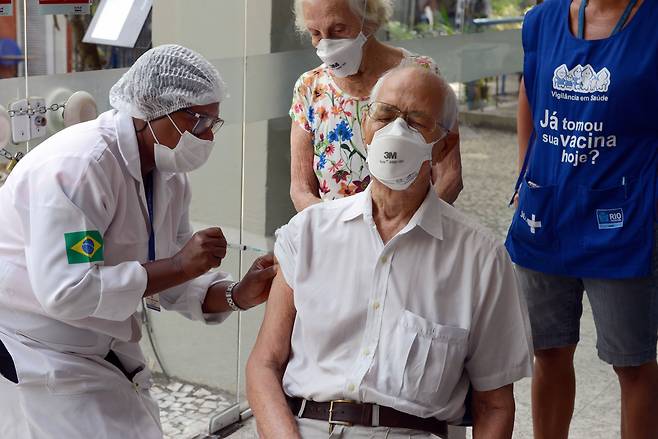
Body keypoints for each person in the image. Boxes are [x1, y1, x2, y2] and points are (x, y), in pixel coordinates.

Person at [0, 44, 276, 439]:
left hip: (101, 345)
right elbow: (66, 292)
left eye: (213, 124)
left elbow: (172, 277)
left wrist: (238, 294)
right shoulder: (80, 168)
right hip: (40, 349)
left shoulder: (168, 174)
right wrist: (181, 264)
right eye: (198, 121)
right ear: (153, 110)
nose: (206, 136)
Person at [247, 66, 532, 439]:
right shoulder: (309, 232)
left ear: (443, 145)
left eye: (416, 122)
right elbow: (263, 365)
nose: (396, 132)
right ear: (366, 126)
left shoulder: (480, 258)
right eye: (385, 115)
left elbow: (494, 404)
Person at [506, 1, 658, 438]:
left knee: (632, 365)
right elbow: (529, 94)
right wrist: (525, 176)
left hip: (624, 225)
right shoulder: (542, 20)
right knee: (548, 353)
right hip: (545, 217)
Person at [289, 0, 463, 212]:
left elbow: (450, 176)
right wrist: (334, 233)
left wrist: (405, 232)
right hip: (334, 238)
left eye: (339, 29)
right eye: (315, 32)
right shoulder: (309, 87)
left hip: (411, 237)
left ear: (369, 20)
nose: (326, 43)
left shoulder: (422, 74)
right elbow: (301, 190)